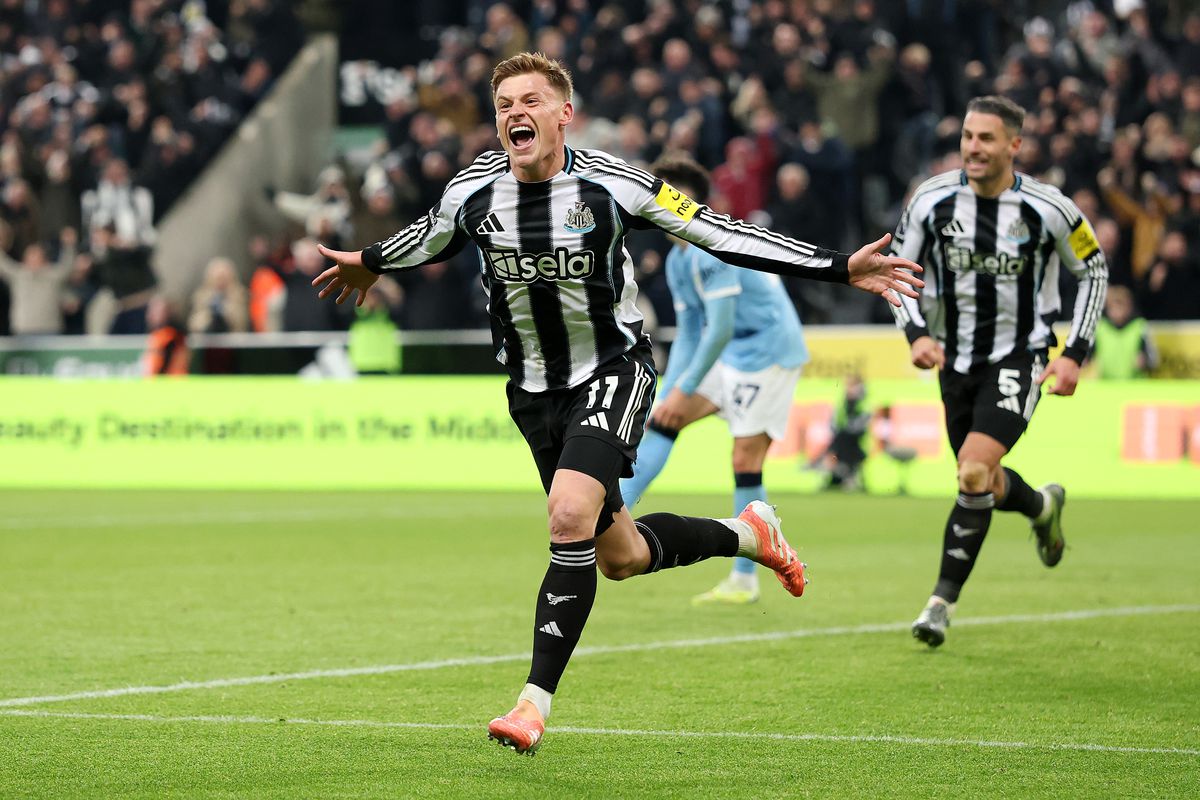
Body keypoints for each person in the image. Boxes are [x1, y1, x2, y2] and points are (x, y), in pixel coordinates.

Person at [312, 52, 924, 754]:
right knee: (621, 555)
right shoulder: (473, 191)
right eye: (505, 103)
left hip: (612, 370)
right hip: (532, 392)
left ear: (564, 114)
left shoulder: (613, 183)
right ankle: (749, 534)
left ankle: (532, 704)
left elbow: (721, 232)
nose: (515, 113)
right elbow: (429, 235)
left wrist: (837, 266)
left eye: (531, 100)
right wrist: (372, 261)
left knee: (568, 514)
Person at [888, 95, 1108, 648]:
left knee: (971, 472)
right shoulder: (931, 199)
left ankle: (940, 603)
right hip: (952, 359)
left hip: (1020, 356)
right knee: (980, 478)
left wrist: (1074, 352)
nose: (973, 147)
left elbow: (1094, 270)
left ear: (1015, 144)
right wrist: (916, 333)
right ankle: (1043, 507)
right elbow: (896, 270)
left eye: (986, 138)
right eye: (968, 136)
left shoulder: (1050, 208)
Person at [618, 154, 809, 606]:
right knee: (664, 418)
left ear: (691, 202)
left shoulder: (712, 245)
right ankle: (610, 516)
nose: (659, 204)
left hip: (767, 351)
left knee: (744, 458)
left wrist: (685, 387)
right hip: (731, 353)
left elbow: (718, 329)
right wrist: (672, 389)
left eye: (669, 195)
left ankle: (746, 576)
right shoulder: (677, 259)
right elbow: (690, 331)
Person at [1090, 284, 1157, 379]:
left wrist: (1145, 360)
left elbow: (1153, 359)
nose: (1116, 312)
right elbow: (1088, 355)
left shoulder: (1139, 327)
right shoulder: (1100, 327)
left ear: (1129, 307)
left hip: (1135, 384)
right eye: (1113, 307)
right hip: (1106, 384)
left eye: (1120, 307)